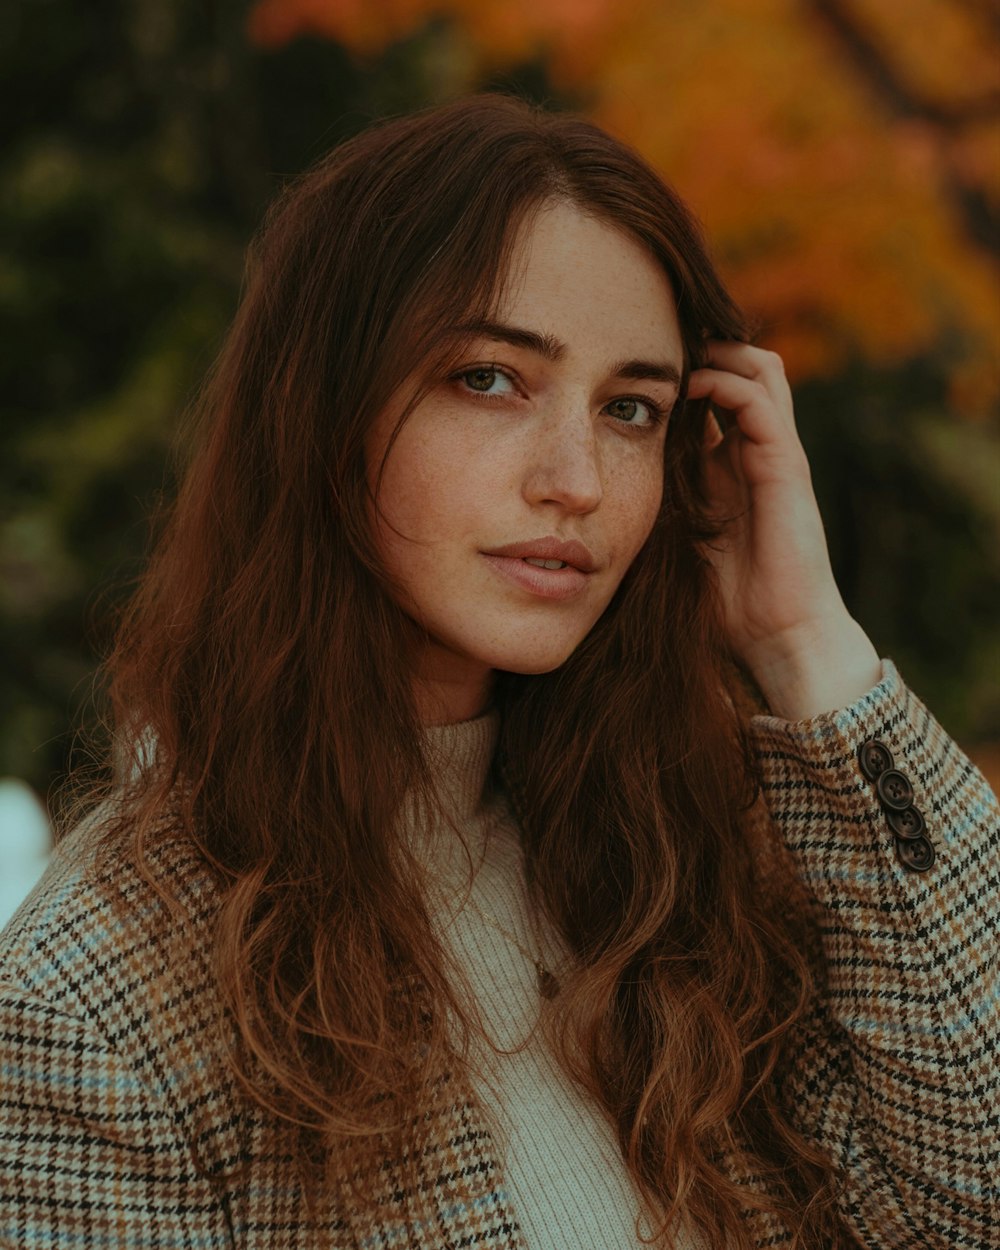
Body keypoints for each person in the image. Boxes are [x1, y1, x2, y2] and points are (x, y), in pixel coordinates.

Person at [0, 94, 996, 1250]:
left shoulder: (701, 865)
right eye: (490, 379)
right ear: (321, 408)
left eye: (630, 409)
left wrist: (803, 638)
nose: (575, 476)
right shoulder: (99, 1000)